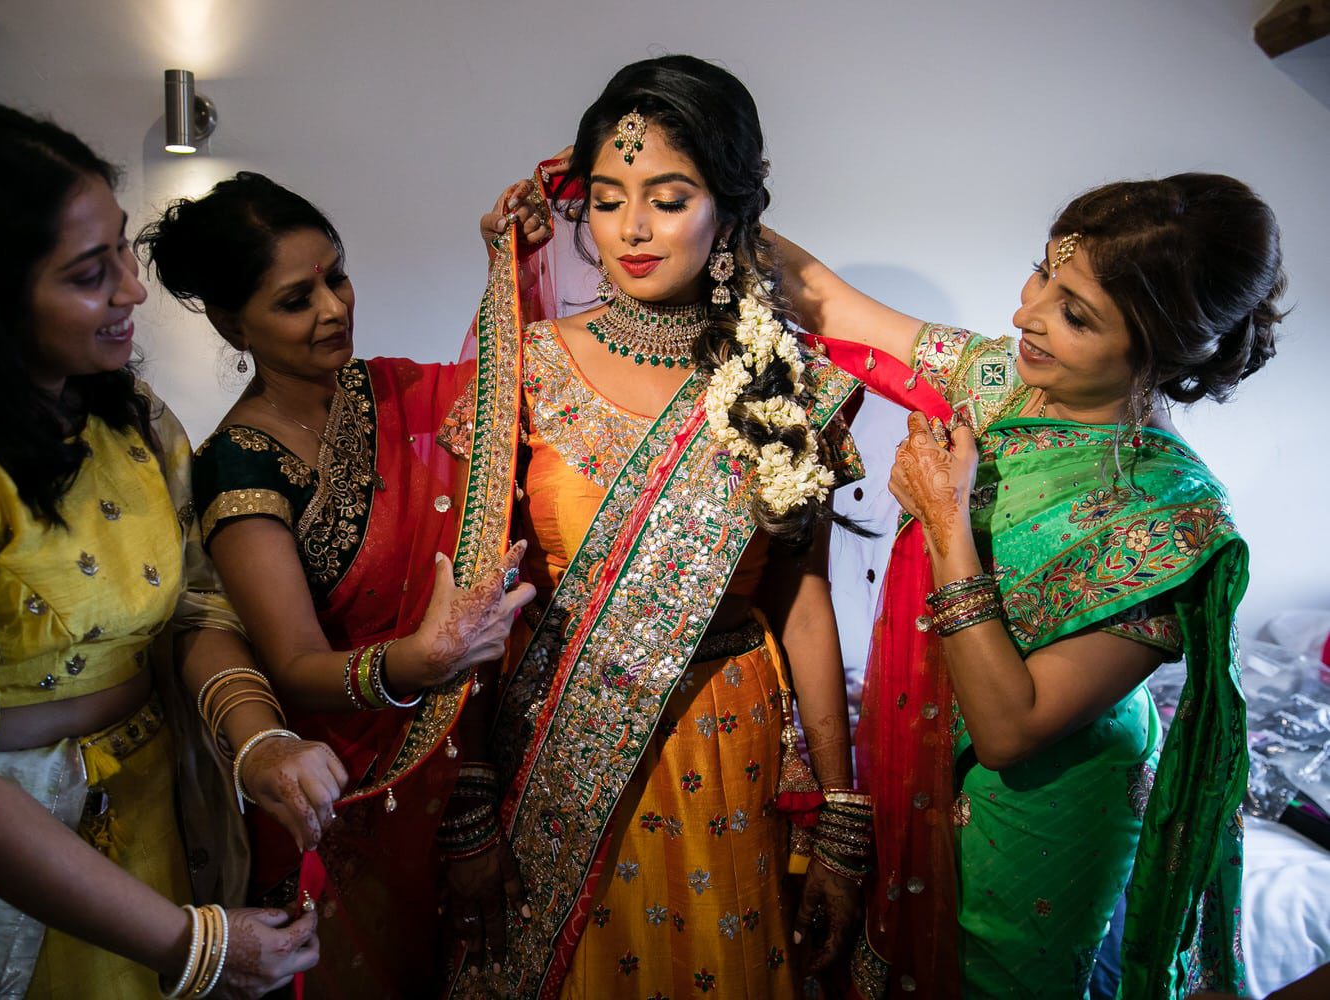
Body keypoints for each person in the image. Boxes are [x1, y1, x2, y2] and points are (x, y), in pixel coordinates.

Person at [0, 103, 343, 998]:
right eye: (87, 272)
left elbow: (192, 603)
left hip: (159, 805)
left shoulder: (126, 413)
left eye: (120, 252)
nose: (133, 291)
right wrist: (192, 949)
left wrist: (257, 742)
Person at [773, 173, 1281, 997]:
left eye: (1074, 314)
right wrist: (703, 191)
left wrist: (947, 527)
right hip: (922, 768)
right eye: (1043, 274)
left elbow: (1012, 727)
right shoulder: (1000, 382)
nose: (1026, 315)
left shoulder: (1170, 516)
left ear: (1152, 350)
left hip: (1038, 813)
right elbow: (820, 295)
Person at [448, 55, 869, 999]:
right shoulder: (528, 363)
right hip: (554, 747)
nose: (632, 229)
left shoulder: (781, 380)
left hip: (729, 740)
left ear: (728, 209)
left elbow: (804, 599)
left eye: (668, 197)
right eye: (607, 198)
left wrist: (843, 817)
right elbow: (478, 587)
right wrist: (469, 794)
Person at [137, 171, 541, 998]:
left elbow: (512, 405)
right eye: (296, 298)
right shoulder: (239, 466)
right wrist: (417, 663)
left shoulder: (398, 390)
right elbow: (292, 664)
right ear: (229, 322)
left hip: (473, 776)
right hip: (344, 800)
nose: (333, 307)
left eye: (337, 275)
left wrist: (511, 266)